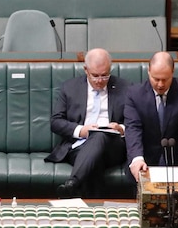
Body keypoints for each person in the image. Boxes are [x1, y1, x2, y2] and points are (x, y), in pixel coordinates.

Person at [45, 48, 132, 198]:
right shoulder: (70, 88)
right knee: (94, 163)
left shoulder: (126, 88)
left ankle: (72, 183)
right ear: (86, 70)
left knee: (99, 136)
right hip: (79, 147)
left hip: (113, 146)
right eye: (95, 76)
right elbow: (55, 121)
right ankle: (95, 213)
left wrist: (121, 128)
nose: (100, 81)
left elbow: (135, 121)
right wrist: (81, 130)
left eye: (105, 75)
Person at [124, 52, 178, 183]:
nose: (160, 84)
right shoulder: (134, 94)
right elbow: (133, 129)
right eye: (156, 79)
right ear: (148, 71)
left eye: (165, 79)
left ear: (173, 71)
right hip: (145, 162)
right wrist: (137, 159)